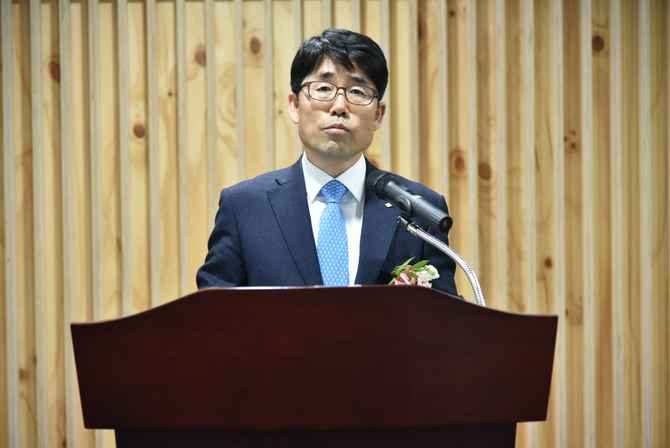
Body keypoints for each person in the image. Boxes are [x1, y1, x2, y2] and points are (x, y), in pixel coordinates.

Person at [196, 28, 458, 296]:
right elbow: (212, 313)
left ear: (378, 115)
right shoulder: (244, 208)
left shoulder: (420, 211)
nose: (339, 106)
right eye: (323, 88)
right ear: (295, 106)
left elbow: (446, 317)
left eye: (358, 91)